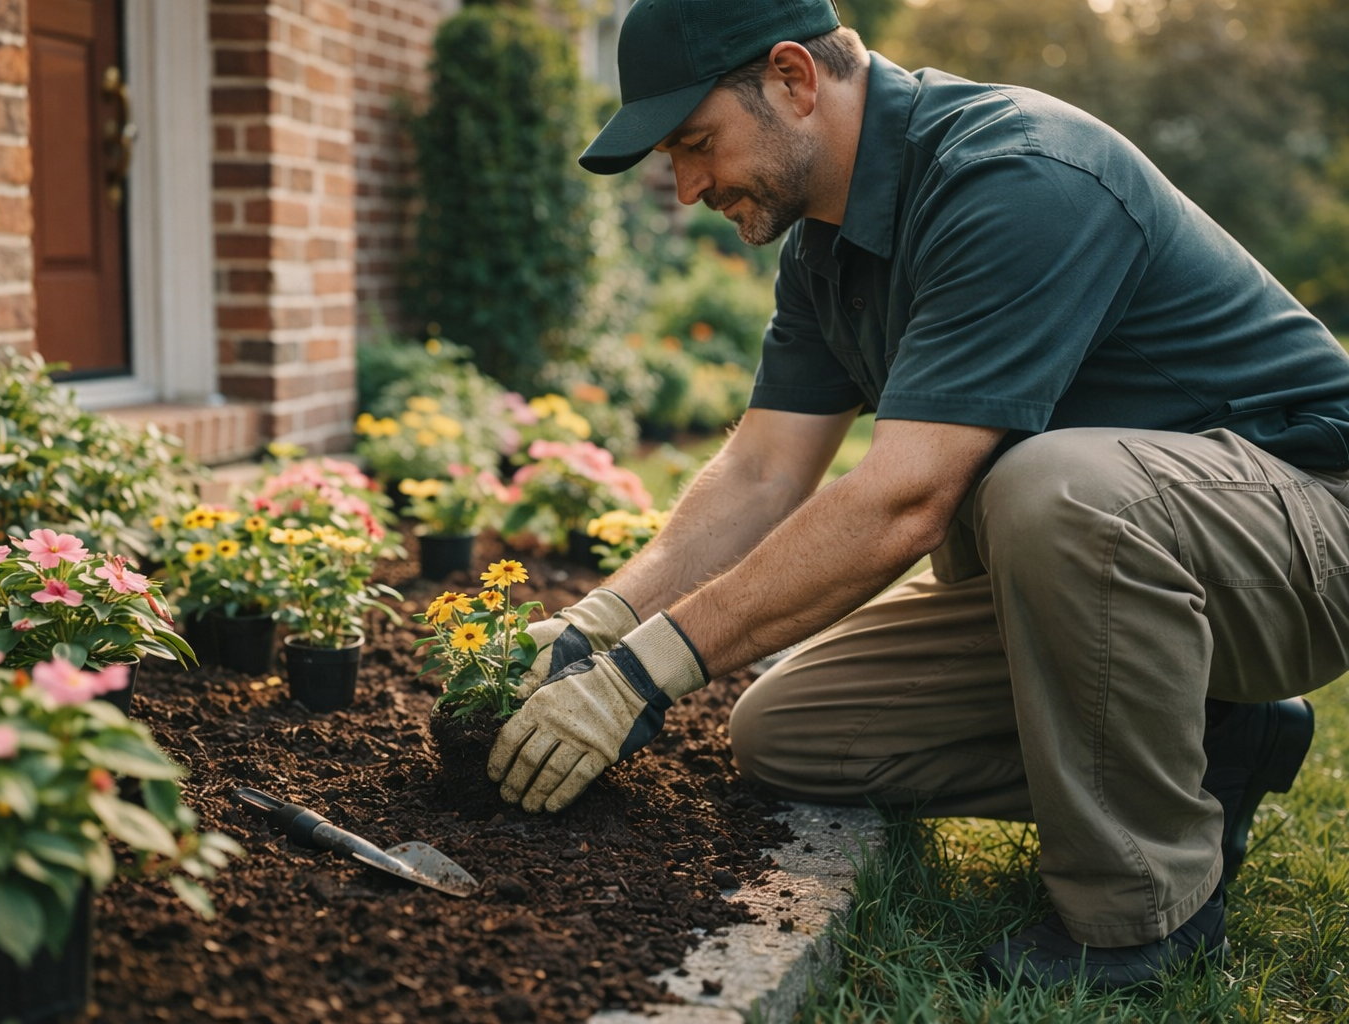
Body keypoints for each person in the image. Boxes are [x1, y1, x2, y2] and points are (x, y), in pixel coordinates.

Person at [484, 0, 1348, 991]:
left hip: (1301, 528)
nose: (686, 188)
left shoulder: (1014, 175)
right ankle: (1211, 740)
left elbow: (905, 497)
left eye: (695, 143)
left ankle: (1142, 918)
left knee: (1053, 485)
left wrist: (642, 681)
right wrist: (600, 627)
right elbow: (762, 470)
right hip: (1122, 580)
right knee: (788, 732)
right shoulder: (825, 250)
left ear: (794, 80)